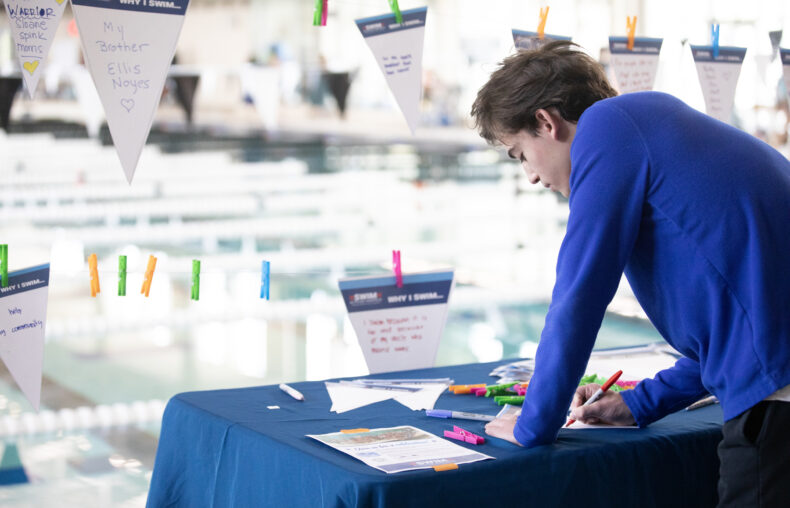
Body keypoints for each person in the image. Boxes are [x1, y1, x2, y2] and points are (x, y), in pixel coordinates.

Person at [471, 40, 790, 507]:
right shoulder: (655, 126)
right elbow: (731, 326)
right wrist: (640, 403)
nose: (532, 176)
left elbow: (579, 295)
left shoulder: (607, 128)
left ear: (546, 122)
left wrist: (532, 423)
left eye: (520, 154)